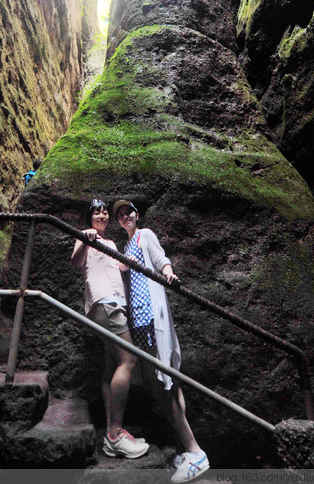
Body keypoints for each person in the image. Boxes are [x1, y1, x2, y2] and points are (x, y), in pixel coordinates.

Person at [113, 199, 210, 483]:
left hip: (152, 320)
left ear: (136, 214)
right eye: (120, 215)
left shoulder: (145, 235)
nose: (124, 217)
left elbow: (160, 259)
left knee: (162, 384)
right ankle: (186, 449)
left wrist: (169, 274)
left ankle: (195, 452)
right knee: (167, 384)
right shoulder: (128, 247)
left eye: (127, 212)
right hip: (139, 321)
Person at [71, 198, 149, 459]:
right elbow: (76, 261)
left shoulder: (112, 244)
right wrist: (85, 239)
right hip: (105, 303)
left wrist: (136, 242)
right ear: (90, 218)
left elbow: (123, 265)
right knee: (129, 359)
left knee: (111, 363)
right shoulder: (85, 235)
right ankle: (116, 434)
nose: (102, 215)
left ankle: (110, 434)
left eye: (105, 212)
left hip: (115, 303)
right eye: (97, 212)